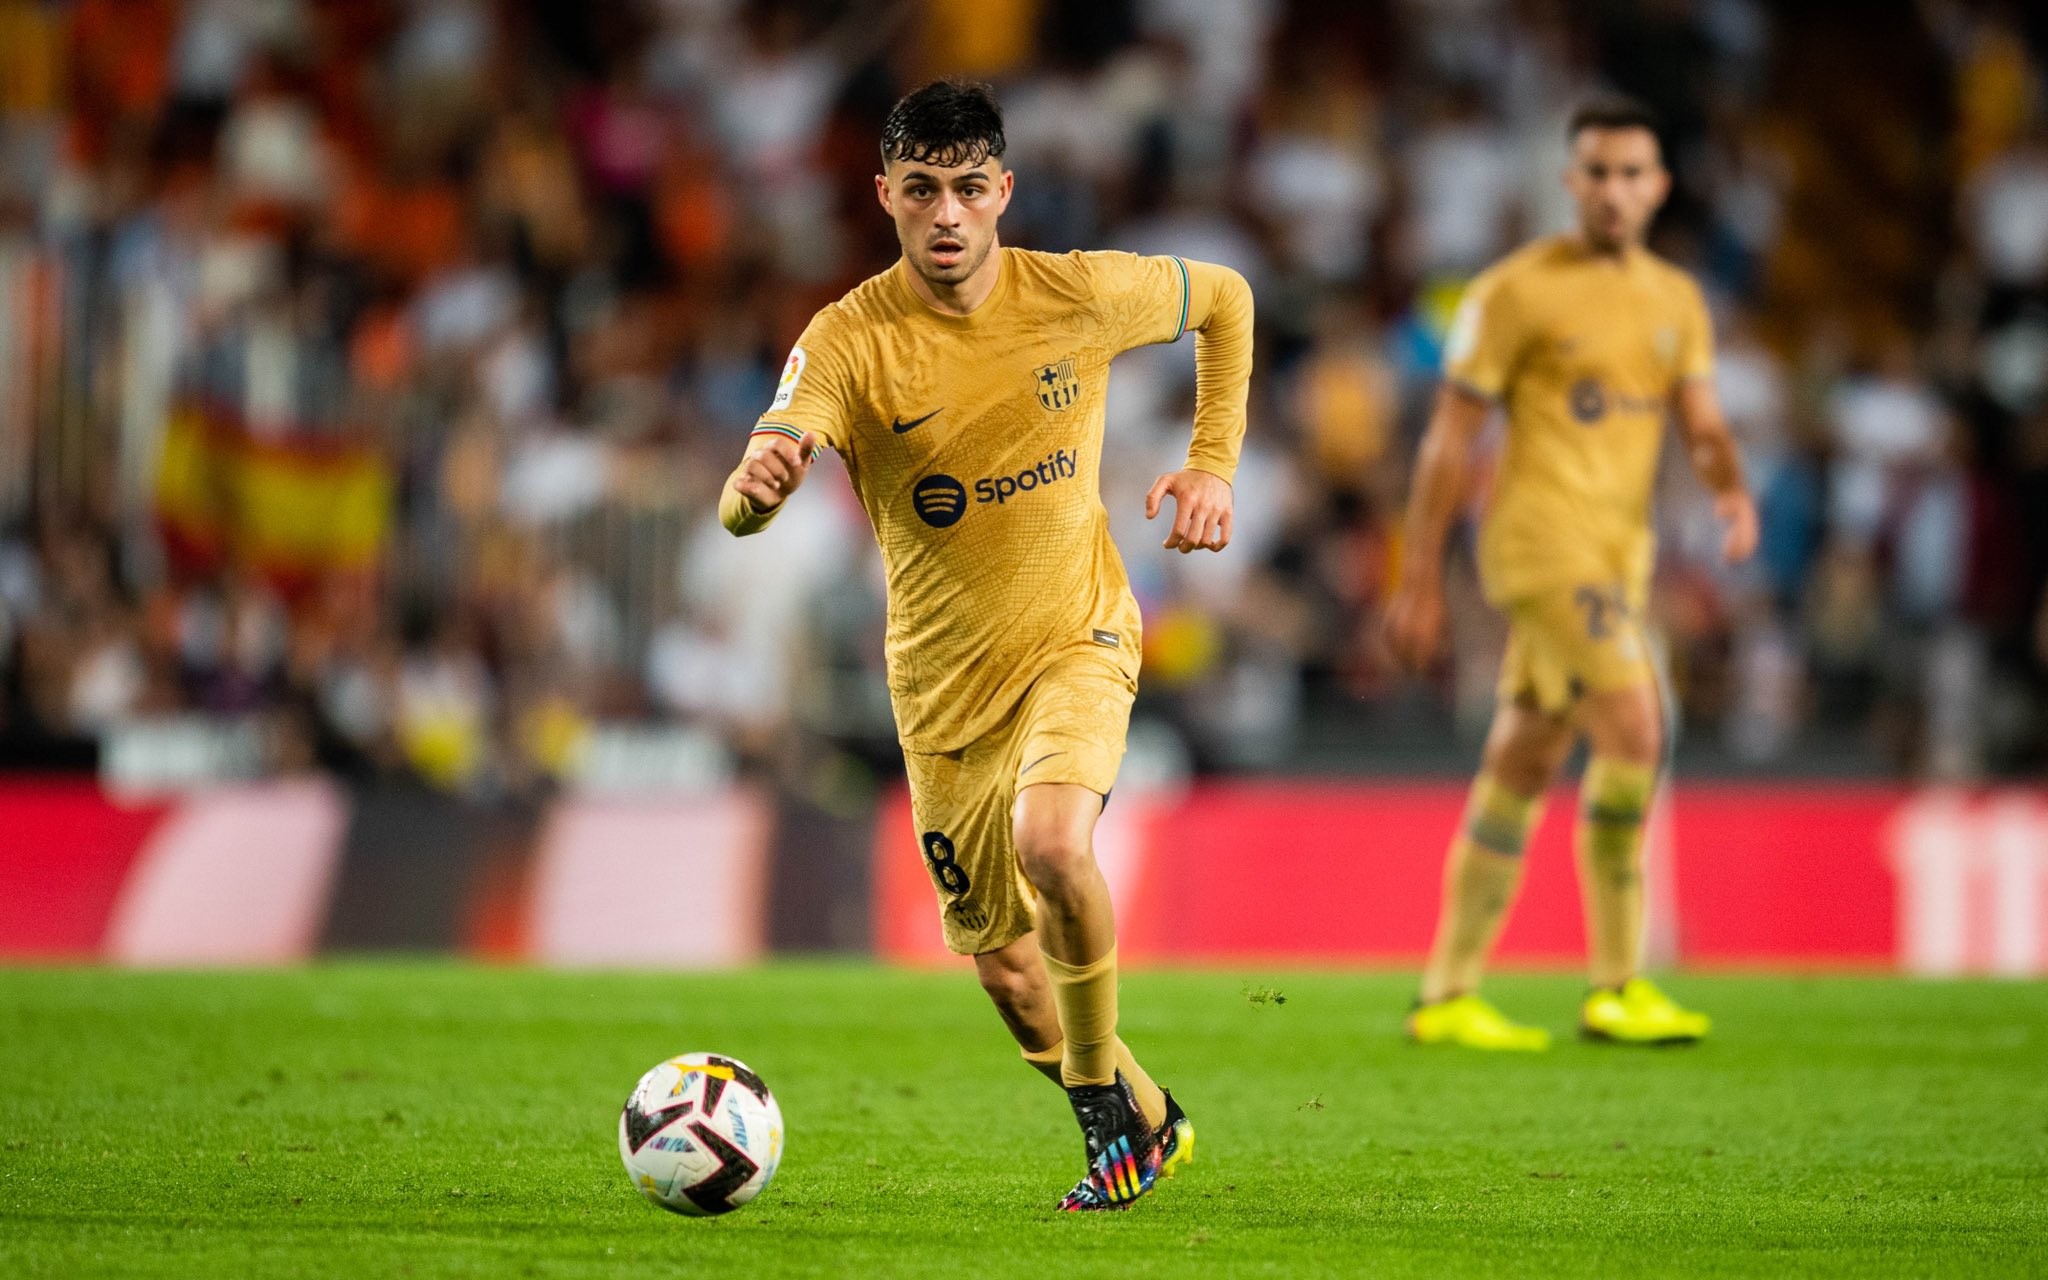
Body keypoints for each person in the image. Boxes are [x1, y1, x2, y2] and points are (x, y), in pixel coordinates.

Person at [718, 80, 1253, 1208]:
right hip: (940, 684)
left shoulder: (1078, 292)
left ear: (1002, 190)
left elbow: (1229, 300)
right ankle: (1150, 1122)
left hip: (1079, 632)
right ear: (885, 198)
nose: (947, 214)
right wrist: (754, 491)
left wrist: (1212, 459)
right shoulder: (848, 338)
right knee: (1006, 968)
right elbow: (755, 479)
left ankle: (1103, 1107)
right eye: (922, 191)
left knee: (1054, 843)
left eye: (968, 188)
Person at [1385, 95, 1758, 1051]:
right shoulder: (1514, 291)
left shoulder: (1675, 299)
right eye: (1596, 172)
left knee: (1524, 758)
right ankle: (1618, 980)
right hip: (1538, 547)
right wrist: (1419, 575)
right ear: (1569, 181)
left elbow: (1704, 423)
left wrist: (1730, 491)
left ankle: (1447, 993)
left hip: (1617, 557)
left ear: (1660, 187)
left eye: (1633, 174)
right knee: (1638, 725)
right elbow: (1449, 440)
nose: (1613, 192)